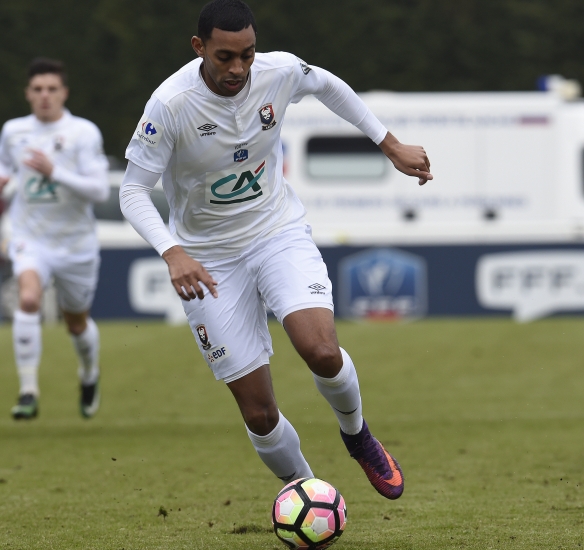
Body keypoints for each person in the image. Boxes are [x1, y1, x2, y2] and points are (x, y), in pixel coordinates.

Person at [120, 0, 432, 499]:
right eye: (225, 57)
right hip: (208, 261)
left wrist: (388, 143)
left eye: (247, 54)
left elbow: (327, 84)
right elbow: (132, 190)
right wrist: (172, 251)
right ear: (199, 48)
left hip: (276, 232)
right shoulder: (169, 104)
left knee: (321, 350)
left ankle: (358, 436)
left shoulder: (279, 71)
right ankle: (307, 493)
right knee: (259, 413)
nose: (238, 68)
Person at [0, 58, 109, 420]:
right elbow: (6, 171)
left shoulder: (84, 133)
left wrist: (55, 172)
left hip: (76, 244)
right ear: (28, 94)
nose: (44, 95)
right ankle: (28, 390)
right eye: (37, 89)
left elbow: (98, 190)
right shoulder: (13, 131)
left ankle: (89, 374)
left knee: (76, 323)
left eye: (51, 89)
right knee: (28, 298)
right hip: (30, 237)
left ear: (64, 92)